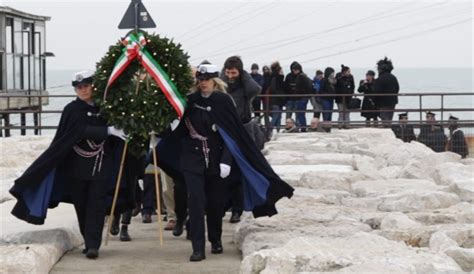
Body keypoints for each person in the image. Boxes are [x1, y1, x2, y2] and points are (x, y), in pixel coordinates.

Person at [156, 63, 294, 261]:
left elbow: (232, 134)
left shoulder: (223, 101)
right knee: (195, 201)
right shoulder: (190, 101)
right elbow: (177, 125)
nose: (202, 83)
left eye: (206, 80)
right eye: (200, 80)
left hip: (216, 159)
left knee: (215, 204)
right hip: (192, 158)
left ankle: (215, 238)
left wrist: (226, 161)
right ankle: (197, 247)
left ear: (214, 80)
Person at [9, 70, 127, 259]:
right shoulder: (72, 110)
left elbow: (117, 130)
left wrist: (120, 130)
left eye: (86, 86)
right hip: (77, 166)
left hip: (101, 164)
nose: (83, 90)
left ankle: (93, 245)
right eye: (79, 87)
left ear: (93, 86)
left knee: (96, 205)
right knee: (81, 205)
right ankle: (88, 240)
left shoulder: (105, 108)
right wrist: (106, 130)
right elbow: (77, 131)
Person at [221, 56, 261, 223]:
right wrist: (224, 78)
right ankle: (222, 206)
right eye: (228, 72)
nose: (230, 76)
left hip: (242, 129)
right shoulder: (221, 85)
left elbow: (255, 90)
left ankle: (237, 209)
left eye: (234, 73)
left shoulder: (245, 84)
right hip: (224, 129)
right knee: (222, 170)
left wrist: (244, 75)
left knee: (239, 170)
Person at [284, 61, 313, 131]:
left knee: (300, 114)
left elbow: (300, 88)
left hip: (300, 98)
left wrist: (297, 94)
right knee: (299, 114)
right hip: (296, 98)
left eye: (295, 70)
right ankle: (299, 128)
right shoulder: (303, 76)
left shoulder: (301, 77)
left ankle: (301, 128)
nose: (294, 71)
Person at [373, 57, 399, 127]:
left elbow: (376, 92)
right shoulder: (393, 77)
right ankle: (388, 130)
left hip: (382, 103)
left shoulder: (380, 79)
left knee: (384, 120)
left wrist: (374, 101)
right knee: (389, 119)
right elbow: (397, 89)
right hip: (392, 102)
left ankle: (387, 131)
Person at [268, 62, 286, 133]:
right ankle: (269, 130)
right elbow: (275, 89)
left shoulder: (275, 78)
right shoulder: (275, 79)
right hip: (276, 100)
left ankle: (277, 131)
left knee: (278, 116)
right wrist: (282, 96)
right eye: (281, 71)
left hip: (278, 100)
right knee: (276, 116)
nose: (282, 72)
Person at [335, 65, 355, 129]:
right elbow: (336, 85)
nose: (349, 73)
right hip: (340, 97)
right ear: (344, 72)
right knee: (341, 112)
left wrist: (351, 93)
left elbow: (353, 86)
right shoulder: (339, 76)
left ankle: (347, 124)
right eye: (348, 71)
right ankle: (340, 125)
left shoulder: (351, 77)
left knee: (347, 112)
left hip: (348, 97)